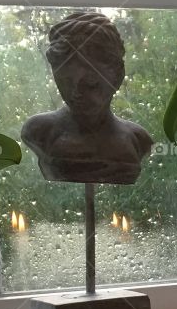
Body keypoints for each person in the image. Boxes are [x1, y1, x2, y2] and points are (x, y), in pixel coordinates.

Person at [21, 11, 152, 184]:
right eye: (66, 81)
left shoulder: (138, 139)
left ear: (117, 76)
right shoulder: (39, 132)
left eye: (91, 83)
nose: (76, 92)